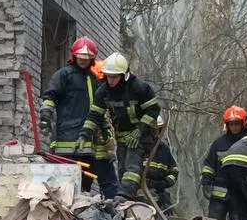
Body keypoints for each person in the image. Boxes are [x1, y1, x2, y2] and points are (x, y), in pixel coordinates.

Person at [40, 37, 120, 198]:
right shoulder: (63, 75)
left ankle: (96, 205)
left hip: (91, 139)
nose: (83, 61)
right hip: (67, 135)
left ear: (92, 58)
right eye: (80, 58)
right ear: (74, 56)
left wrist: (104, 127)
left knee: (93, 176)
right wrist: (45, 115)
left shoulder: (94, 79)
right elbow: (50, 96)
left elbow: (99, 108)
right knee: (65, 178)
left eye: (87, 58)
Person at [79, 52, 161, 201]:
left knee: (132, 165)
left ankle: (124, 196)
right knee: (123, 170)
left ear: (124, 75)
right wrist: (84, 133)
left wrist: (139, 130)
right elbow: (94, 115)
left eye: (114, 76)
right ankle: (128, 200)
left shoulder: (139, 88)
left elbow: (154, 110)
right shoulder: (103, 92)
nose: (110, 80)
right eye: (108, 76)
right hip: (122, 136)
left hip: (142, 135)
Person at [200, 106, 247, 220]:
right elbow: (209, 165)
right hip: (219, 194)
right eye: (231, 124)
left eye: (237, 123)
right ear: (227, 125)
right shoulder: (218, 143)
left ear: (244, 123)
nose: (234, 127)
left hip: (241, 193)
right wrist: (206, 181)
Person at [143, 115, 178, 212]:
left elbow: (174, 171)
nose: (154, 134)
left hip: (159, 196)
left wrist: (161, 184)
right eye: (151, 130)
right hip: (139, 197)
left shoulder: (163, 149)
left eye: (157, 130)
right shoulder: (138, 149)